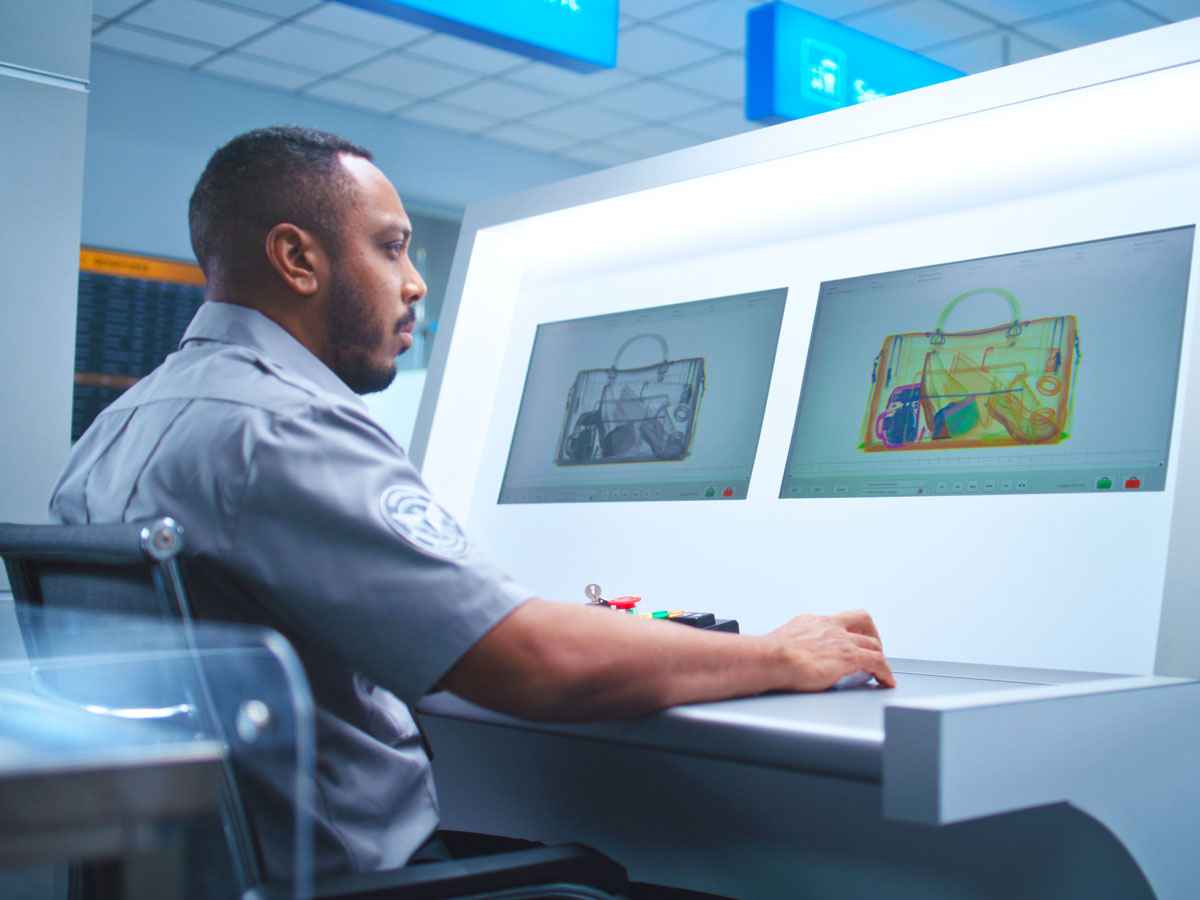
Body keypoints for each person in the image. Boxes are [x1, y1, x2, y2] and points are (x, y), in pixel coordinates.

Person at [49, 125, 895, 886]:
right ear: (297, 259)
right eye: (391, 248)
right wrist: (782, 654)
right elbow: (527, 663)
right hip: (349, 878)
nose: (415, 284)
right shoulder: (284, 428)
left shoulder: (120, 426)